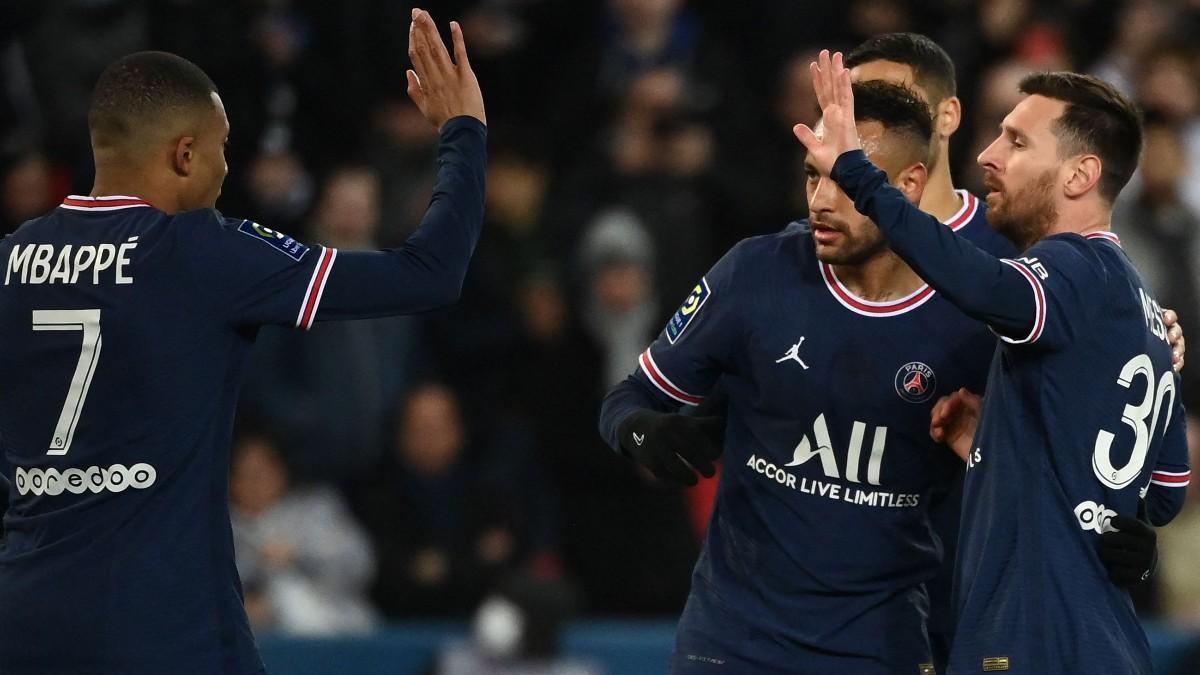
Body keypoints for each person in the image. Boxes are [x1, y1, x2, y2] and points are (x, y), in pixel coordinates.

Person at [0, 8, 486, 674]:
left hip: (24, 619)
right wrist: (464, 133)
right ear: (185, 153)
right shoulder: (201, 252)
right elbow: (429, 272)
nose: (228, 170)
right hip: (162, 625)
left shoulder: (13, 259)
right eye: (223, 146)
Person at [599, 79, 1020, 673]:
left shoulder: (976, 312)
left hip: (880, 643)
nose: (821, 200)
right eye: (811, 175)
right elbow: (626, 399)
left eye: (843, 180)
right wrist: (644, 431)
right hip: (731, 640)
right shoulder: (755, 272)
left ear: (906, 188)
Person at [796, 50, 1190, 674]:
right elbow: (1166, 491)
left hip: (1035, 637)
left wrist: (858, 174)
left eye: (1016, 141)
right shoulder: (1140, 309)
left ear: (1080, 174)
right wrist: (1004, 442)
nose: (988, 156)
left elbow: (987, 289)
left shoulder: (1074, 269)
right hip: (1104, 640)